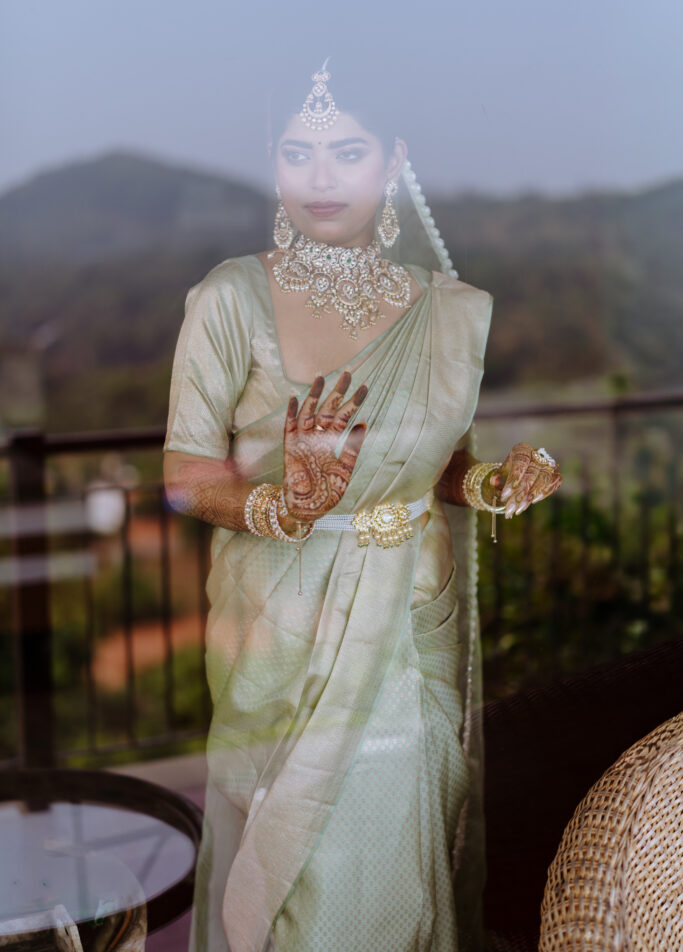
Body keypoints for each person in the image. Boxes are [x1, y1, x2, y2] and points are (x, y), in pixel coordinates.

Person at [163, 59, 561, 952]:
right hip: (284, 622)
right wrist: (286, 506)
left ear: (394, 160)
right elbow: (186, 473)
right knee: (307, 880)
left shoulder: (446, 310)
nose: (320, 176)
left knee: (406, 859)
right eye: (296, 152)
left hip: (412, 611)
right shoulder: (231, 296)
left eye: (347, 151)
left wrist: (490, 484)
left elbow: (436, 466)